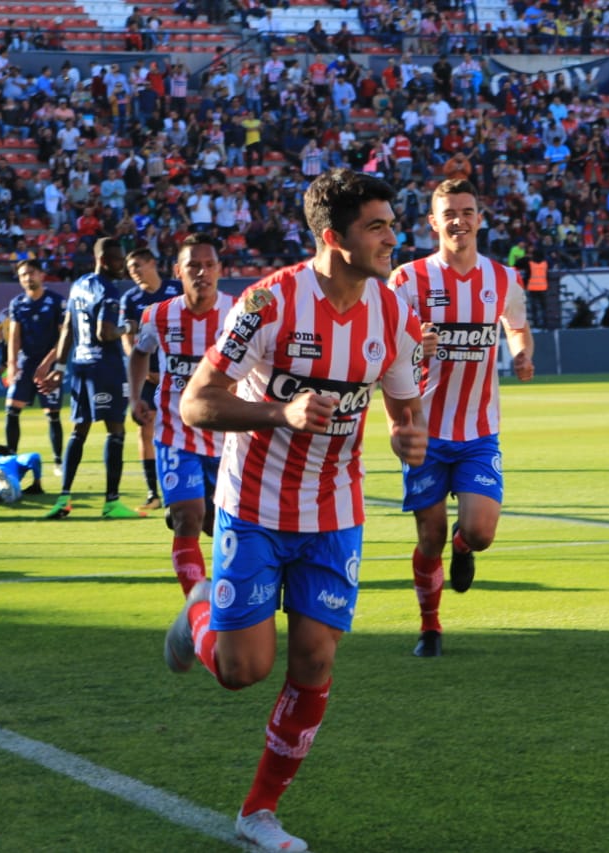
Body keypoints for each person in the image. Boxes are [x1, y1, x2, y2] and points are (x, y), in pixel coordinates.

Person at [162, 169, 427, 853]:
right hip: (253, 507)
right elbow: (196, 402)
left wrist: (408, 436)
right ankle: (198, 614)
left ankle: (259, 811)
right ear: (334, 238)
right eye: (376, 227)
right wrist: (280, 412)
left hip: (336, 512)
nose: (391, 239)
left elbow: (404, 407)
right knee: (241, 671)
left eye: (392, 225)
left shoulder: (394, 313)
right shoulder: (267, 302)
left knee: (315, 659)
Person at [387, 178, 535, 657]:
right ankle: (430, 628)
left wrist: (521, 353)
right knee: (429, 537)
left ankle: (465, 546)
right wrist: (415, 343)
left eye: (467, 212)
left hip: (478, 431)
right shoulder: (407, 279)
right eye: (449, 213)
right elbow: (384, 347)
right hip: (424, 431)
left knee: (481, 532)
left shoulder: (503, 278)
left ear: (479, 219)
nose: (459, 221)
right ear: (433, 222)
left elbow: (517, 326)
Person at [128, 234, 233, 597]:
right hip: (176, 433)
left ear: (219, 270)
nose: (201, 272)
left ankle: (232, 596)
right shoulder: (158, 314)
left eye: (208, 265)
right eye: (193, 266)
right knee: (189, 516)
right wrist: (135, 397)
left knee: (221, 526)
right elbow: (139, 353)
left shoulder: (238, 315)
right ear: (178, 271)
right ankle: (197, 605)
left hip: (228, 437)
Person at [35, 237, 144, 519]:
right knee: (115, 431)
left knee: (78, 431)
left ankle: (64, 498)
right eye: (118, 260)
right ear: (104, 260)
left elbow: (67, 328)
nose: (122, 266)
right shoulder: (108, 290)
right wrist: (129, 326)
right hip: (105, 368)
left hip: (81, 366)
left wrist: (60, 368)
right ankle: (112, 503)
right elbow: (104, 333)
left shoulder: (79, 285)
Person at [121, 247, 184, 512]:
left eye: (137, 265)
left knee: (184, 428)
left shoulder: (176, 289)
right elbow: (127, 339)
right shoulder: (131, 299)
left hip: (178, 373)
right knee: (145, 430)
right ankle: (152, 493)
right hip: (148, 375)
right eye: (130, 268)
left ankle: (186, 487)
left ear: (152, 263)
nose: (134, 272)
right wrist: (144, 369)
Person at [5, 259, 66, 475]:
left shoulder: (57, 302)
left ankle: (58, 462)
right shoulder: (17, 303)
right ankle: (10, 459)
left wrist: (48, 363)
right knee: (12, 409)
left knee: (52, 413)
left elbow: (64, 338)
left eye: (31, 273)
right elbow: (14, 336)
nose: (27, 278)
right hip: (26, 363)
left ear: (41, 275)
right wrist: (12, 364)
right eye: (23, 275)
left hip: (50, 364)